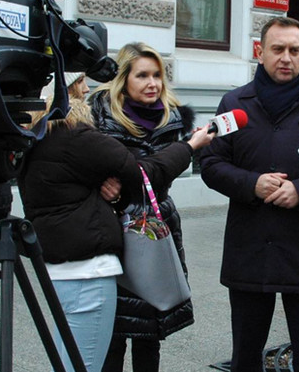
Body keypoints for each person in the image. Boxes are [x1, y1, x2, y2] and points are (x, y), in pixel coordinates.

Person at [19, 77, 213, 372]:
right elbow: (144, 174)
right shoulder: (75, 134)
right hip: (87, 275)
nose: (86, 89)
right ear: (64, 89)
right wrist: (189, 146)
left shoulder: (39, 134)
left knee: (69, 360)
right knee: (85, 365)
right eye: (79, 82)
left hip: (58, 270)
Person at [199, 16, 299, 372]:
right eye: (277, 49)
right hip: (249, 247)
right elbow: (210, 164)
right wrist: (252, 184)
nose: (286, 57)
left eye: (294, 50)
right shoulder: (235, 103)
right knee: (245, 356)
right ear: (260, 52)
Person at [88, 42, 196, 372]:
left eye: (157, 75)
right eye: (142, 76)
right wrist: (99, 184)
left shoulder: (172, 119)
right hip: (113, 229)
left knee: (150, 328)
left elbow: (157, 179)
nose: (153, 84)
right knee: (113, 329)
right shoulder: (98, 119)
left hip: (156, 225)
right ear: (123, 80)